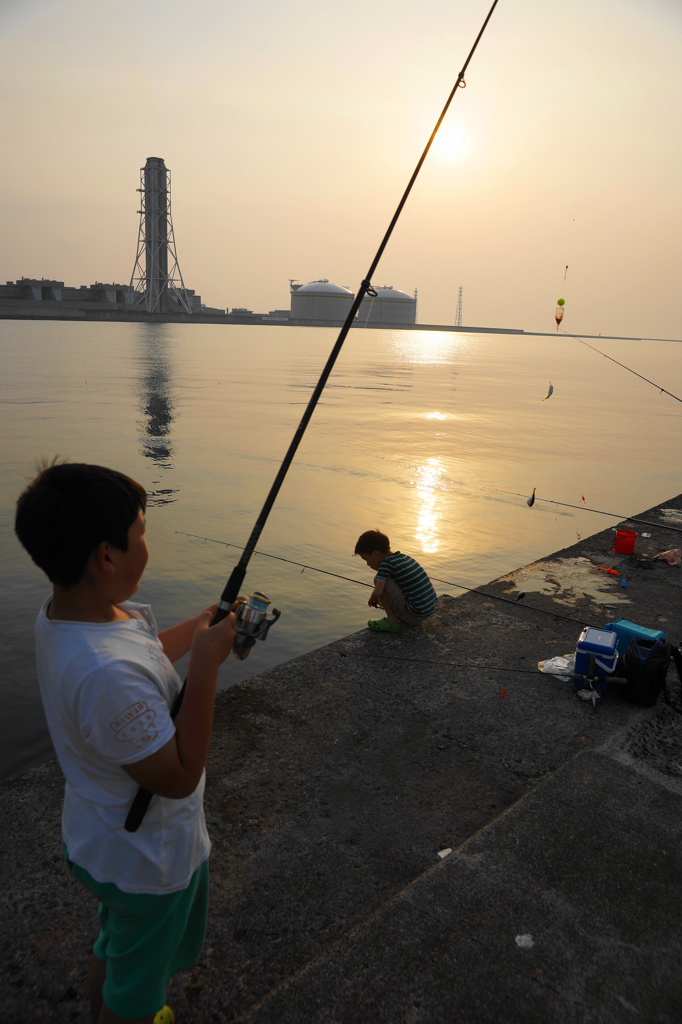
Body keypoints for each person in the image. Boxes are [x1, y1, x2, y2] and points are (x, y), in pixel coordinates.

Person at [14, 460, 238, 1024]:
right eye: (141, 532)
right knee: (138, 990)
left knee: (117, 951)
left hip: (102, 840)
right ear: (107, 556)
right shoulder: (103, 675)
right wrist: (208, 668)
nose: (146, 543)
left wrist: (203, 628)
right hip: (147, 859)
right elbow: (180, 772)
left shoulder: (70, 616)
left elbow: (144, 652)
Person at [354, 529, 436, 633]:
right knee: (385, 581)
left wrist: (372, 599)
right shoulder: (404, 557)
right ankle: (396, 617)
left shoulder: (385, 564)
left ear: (375, 554)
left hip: (414, 615)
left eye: (366, 560)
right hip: (427, 610)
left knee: (378, 580)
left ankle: (392, 622)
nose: (367, 564)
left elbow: (378, 592)